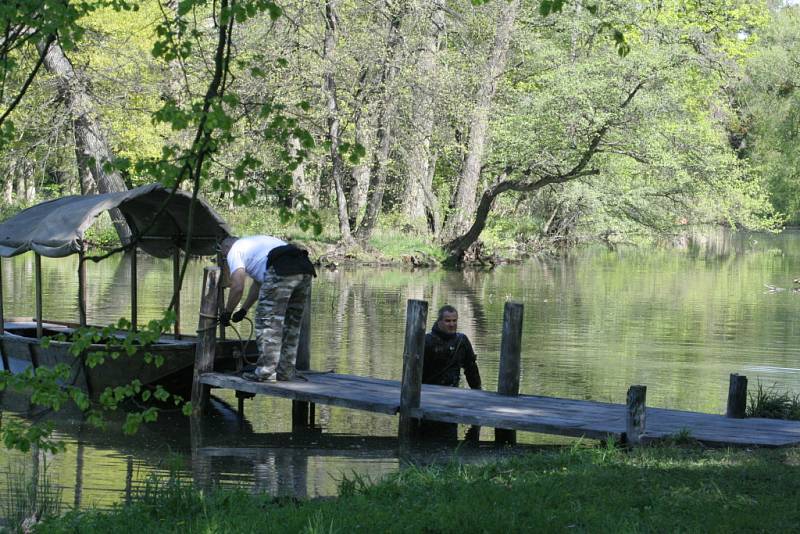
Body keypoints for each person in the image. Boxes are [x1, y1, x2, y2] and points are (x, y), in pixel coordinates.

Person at [218, 235, 316, 382]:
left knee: (267, 323)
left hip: (281, 269)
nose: (225, 258)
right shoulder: (256, 244)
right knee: (291, 325)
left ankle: (266, 372)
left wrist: (227, 312)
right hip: (304, 268)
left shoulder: (234, 250)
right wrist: (243, 309)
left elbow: (237, 287)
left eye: (223, 255)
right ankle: (285, 371)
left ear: (225, 249)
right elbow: (259, 284)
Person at [421, 305, 482, 441]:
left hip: (451, 397)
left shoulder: (462, 341)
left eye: (454, 321)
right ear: (439, 322)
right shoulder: (426, 341)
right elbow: (414, 371)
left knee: (449, 439)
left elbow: (471, 369)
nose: (452, 324)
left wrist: (478, 392)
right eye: (448, 321)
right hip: (428, 397)